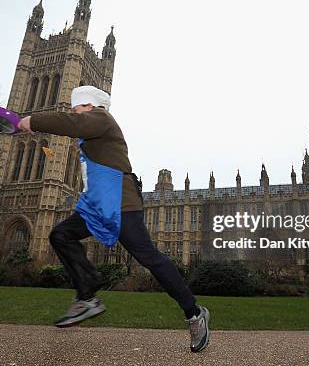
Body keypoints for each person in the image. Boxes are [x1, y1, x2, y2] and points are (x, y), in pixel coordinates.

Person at [17, 86, 210, 353]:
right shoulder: (91, 136)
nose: (74, 110)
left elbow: (72, 123)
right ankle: (87, 296)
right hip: (95, 207)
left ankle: (194, 313)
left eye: (78, 106)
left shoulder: (102, 119)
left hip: (121, 204)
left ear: (90, 106)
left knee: (150, 258)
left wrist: (33, 120)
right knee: (59, 235)